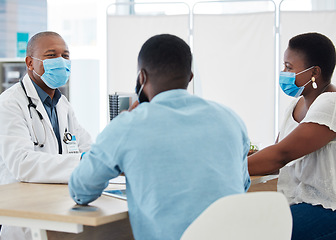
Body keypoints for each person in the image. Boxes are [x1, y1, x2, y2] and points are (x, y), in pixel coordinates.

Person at [68, 34, 251, 240]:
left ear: (142, 77)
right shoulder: (230, 119)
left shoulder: (128, 125)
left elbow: (81, 190)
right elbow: (242, 185)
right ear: (190, 77)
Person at [0, 31, 92, 239]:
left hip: (52, 205)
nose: (60, 61)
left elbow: (87, 147)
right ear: (30, 63)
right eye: (51, 56)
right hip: (13, 215)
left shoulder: (63, 105)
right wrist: (83, 163)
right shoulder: (9, 105)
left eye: (65, 56)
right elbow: (22, 164)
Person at [248, 32, 336, 240]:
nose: (283, 73)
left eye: (289, 67)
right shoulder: (295, 105)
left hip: (327, 207)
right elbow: (279, 154)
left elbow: (281, 155)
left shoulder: (330, 103)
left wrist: (226, 167)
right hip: (297, 201)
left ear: (314, 72)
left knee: (260, 231)